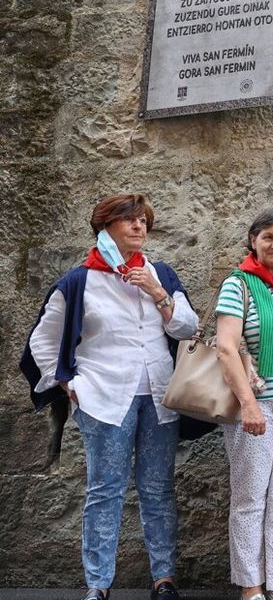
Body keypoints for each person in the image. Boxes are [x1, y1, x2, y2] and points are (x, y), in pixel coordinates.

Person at [21, 193, 199, 600]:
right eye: (131, 220)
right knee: (105, 490)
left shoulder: (161, 273)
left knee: (158, 488)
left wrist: (157, 292)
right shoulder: (78, 281)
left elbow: (187, 329)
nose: (140, 227)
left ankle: (164, 580)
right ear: (106, 226)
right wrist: (69, 384)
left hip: (159, 396)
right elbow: (42, 343)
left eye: (144, 221)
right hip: (102, 398)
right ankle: (97, 585)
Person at [214, 208, 273, 600]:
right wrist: (249, 404)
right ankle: (251, 587)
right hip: (254, 406)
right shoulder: (236, 284)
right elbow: (225, 348)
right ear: (253, 240)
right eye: (267, 236)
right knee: (250, 499)